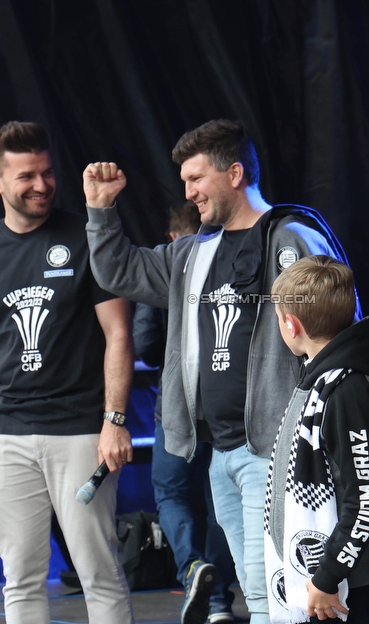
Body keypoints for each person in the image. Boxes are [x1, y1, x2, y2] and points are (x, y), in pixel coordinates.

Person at [82, 119, 358, 624]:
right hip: (220, 451)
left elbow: (337, 333)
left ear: (234, 173)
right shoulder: (193, 252)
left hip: (276, 451)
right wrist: (101, 212)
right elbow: (119, 271)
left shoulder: (289, 236)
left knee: (278, 591)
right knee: (257, 594)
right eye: (184, 182)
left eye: (196, 179)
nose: (189, 194)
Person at [0, 121, 134, 624]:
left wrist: (115, 418)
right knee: (18, 578)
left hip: (82, 431)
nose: (41, 184)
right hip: (6, 436)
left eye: (46, 172)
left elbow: (119, 334)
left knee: (99, 572)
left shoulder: (85, 238)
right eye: (26, 176)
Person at [264, 255, 369, 624]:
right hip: (321, 577)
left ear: (291, 324)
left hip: (342, 583)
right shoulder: (318, 378)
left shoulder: (345, 389)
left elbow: (364, 499)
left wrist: (328, 575)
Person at [134, 201, 238, 624]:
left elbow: (143, 344)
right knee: (222, 502)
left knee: (173, 495)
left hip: (176, 407)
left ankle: (193, 568)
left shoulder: (167, 271)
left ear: (173, 239)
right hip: (227, 408)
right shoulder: (233, 264)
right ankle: (217, 604)